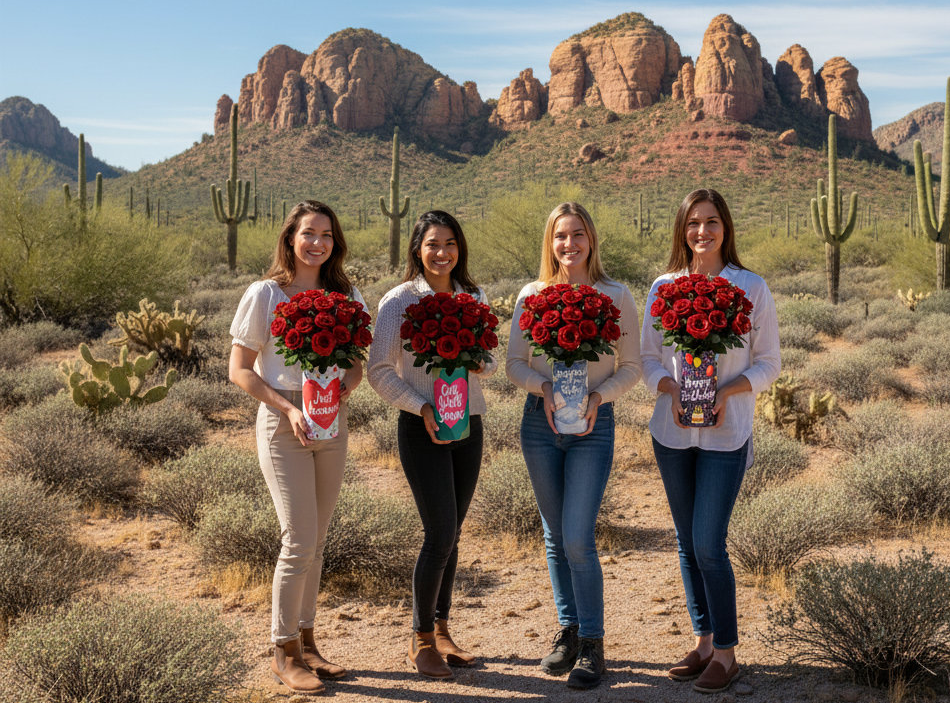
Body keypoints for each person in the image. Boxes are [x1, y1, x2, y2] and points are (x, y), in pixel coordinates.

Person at [640, 188, 780, 694]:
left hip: (726, 432)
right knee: (686, 542)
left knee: (708, 543)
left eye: (712, 221)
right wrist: (671, 388)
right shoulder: (664, 287)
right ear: (682, 229)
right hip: (672, 431)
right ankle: (702, 642)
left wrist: (726, 392)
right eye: (694, 222)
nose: (703, 231)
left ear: (726, 228)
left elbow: (769, 363)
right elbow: (648, 358)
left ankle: (726, 652)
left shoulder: (750, 287)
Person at [228, 200, 365, 694]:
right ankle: (283, 651)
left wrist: (343, 387)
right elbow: (239, 370)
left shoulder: (345, 295)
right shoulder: (265, 293)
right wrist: (288, 408)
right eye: (309, 233)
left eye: (327, 235)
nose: (318, 243)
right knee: (299, 538)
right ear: (290, 237)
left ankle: (308, 643)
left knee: (319, 538)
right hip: (284, 422)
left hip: (331, 421)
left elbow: (356, 364)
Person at [506, 202, 641, 690]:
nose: (570, 244)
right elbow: (515, 363)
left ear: (591, 239)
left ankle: (592, 644)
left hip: (593, 426)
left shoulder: (616, 295)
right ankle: (568, 630)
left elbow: (632, 366)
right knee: (554, 535)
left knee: (578, 537)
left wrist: (598, 397)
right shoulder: (532, 295)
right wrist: (543, 388)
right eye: (561, 235)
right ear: (550, 241)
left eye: (578, 234)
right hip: (539, 425)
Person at [367, 210, 495, 680]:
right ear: (417, 249)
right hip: (421, 427)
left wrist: (478, 362)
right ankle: (420, 640)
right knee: (439, 532)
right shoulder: (399, 301)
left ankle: (442, 631)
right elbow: (379, 370)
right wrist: (421, 406)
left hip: (468, 424)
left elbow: (491, 360)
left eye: (450, 244)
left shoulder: (473, 296)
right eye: (433, 244)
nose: (442, 253)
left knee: (454, 530)